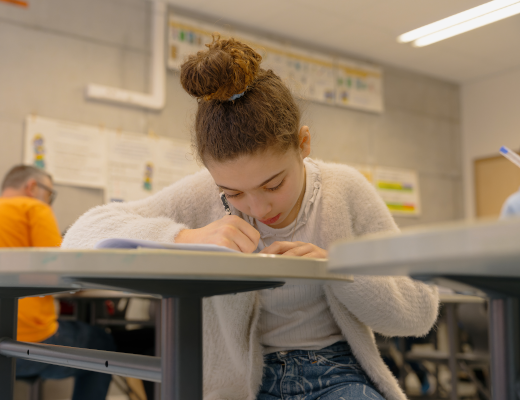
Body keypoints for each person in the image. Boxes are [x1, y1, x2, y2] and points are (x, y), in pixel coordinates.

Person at [62, 37, 439, 400]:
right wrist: (185, 238)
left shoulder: (345, 191)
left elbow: (419, 312)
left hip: (336, 374)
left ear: (303, 145)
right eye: (233, 193)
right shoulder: (200, 194)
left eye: (273, 184)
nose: (258, 209)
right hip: (237, 388)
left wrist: (340, 270)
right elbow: (80, 236)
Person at [0, 165, 115, 400]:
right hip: (9, 345)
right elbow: (63, 271)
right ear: (33, 187)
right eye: (50, 194)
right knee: (101, 343)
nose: (49, 202)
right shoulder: (33, 207)